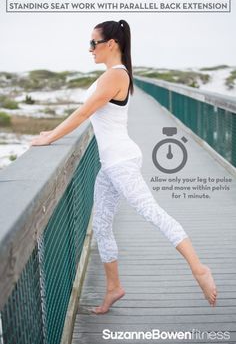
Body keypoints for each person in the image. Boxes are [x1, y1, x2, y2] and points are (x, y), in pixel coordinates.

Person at [30, 19, 217, 314]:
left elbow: (83, 113)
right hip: (112, 162)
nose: (89, 49)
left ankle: (199, 268)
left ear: (111, 44)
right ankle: (114, 288)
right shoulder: (113, 75)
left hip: (120, 163)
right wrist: (49, 133)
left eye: (94, 43)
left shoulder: (115, 76)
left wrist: (50, 136)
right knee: (102, 225)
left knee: (153, 212)